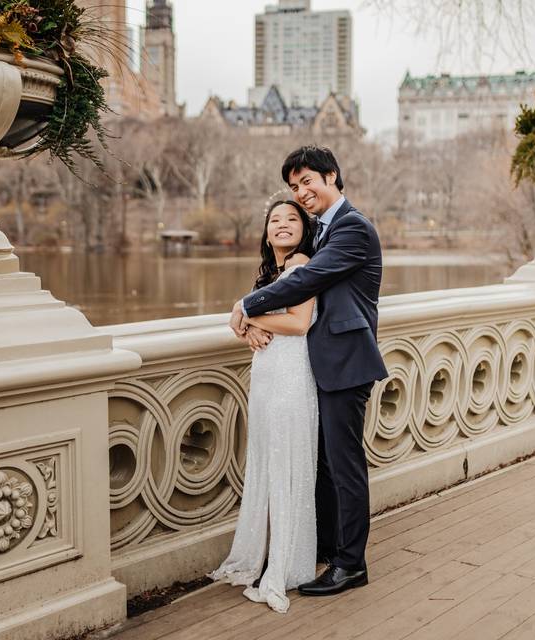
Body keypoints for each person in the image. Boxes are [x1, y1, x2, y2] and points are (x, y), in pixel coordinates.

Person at [230, 146, 387, 597]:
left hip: (346, 363)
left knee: (345, 467)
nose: (301, 193)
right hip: (314, 366)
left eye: (308, 182)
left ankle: (351, 564)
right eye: (295, 187)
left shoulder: (353, 228)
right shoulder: (320, 229)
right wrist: (254, 324)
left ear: (332, 177)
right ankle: (327, 548)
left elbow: (307, 280)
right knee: (321, 466)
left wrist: (246, 306)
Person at [208, 200, 319, 614]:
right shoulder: (270, 273)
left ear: (303, 232)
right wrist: (247, 324)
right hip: (267, 377)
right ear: (266, 232)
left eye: (292, 219)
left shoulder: (304, 263)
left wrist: (251, 319)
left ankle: (286, 567)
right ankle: (264, 556)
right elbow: (242, 321)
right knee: (267, 464)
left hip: (292, 377)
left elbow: (298, 322)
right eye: (276, 220)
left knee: (287, 465)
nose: (283, 225)